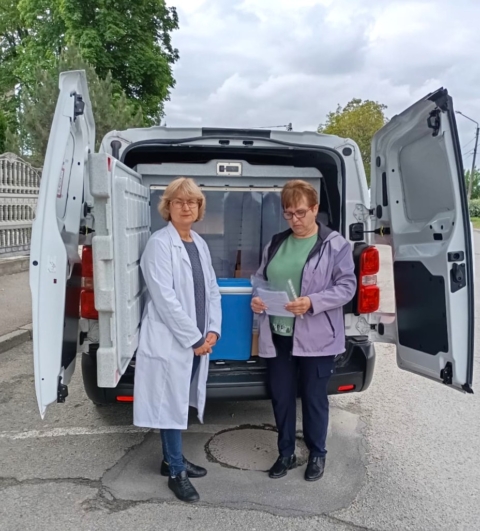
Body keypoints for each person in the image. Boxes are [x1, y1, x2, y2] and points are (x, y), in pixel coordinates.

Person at [251, 180, 356, 482]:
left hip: (317, 340)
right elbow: (259, 278)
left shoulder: (335, 245)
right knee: (281, 398)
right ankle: (285, 453)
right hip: (278, 336)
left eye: (300, 213)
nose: (294, 220)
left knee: (313, 398)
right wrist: (257, 298)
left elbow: (347, 287)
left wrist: (312, 302)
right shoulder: (276, 243)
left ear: (315, 209)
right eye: (288, 214)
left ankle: (317, 453)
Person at [133, 177, 221, 503]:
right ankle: (175, 472)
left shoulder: (198, 243)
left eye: (192, 202)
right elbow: (164, 299)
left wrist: (213, 329)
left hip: (197, 340)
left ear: (199, 208)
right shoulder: (159, 244)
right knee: (170, 404)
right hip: (173, 341)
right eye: (179, 201)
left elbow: (211, 290)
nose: (186, 207)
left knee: (177, 400)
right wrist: (195, 338)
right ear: (167, 207)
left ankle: (172, 458)